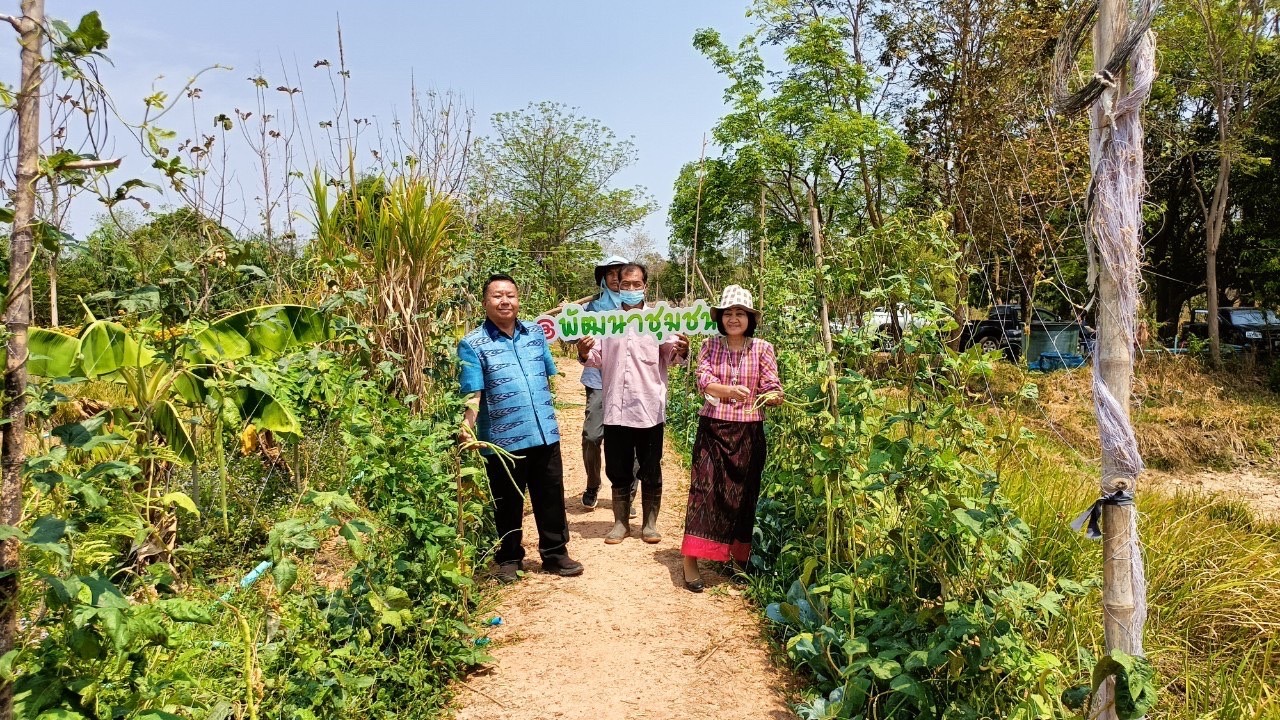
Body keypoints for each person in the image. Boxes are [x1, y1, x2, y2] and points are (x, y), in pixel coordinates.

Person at [458, 273, 584, 583]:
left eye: (510, 295)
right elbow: (474, 392)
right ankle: (510, 558)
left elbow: (547, 378)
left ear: (518, 299)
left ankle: (555, 554)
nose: (505, 301)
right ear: (485, 302)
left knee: (550, 495)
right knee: (507, 501)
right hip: (502, 439)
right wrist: (467, 426)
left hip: (543, 430)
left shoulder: (535, 335)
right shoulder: (472, 343)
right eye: (497, 296)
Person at [681, 285, 782, 592]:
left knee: (744, 495)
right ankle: (691, 561)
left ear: (750, 319)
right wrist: (727, 391)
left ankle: (737, 561)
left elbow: (771, 384)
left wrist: (774, 396)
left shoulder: (762, 348)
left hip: (749, 432)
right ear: (720, 318)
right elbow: (703, 379)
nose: (733, 319)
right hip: (714, 429)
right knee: (705, 492)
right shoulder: (710, 345)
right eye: (728, 313)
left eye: (740, 313)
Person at [578, 263, 689, 544]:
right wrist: (584, 352)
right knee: (618, 468)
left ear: (645, 287)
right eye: (625, 284)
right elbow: (596, 358)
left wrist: (682, 349)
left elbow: (672, 355)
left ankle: (650, 524)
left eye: (636, 284)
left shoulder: (659, 320)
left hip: (648, 407)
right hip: (616, 406)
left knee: (650, 466)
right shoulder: (607, 322)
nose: (630, 289)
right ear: (617, 286)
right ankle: (621, 524)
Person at [577, 255, 635, 512]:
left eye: (620, 273)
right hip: (599, 379)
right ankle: (593, 483)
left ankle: (627, 493)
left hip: (631, 381)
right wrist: (569, 319)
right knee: (592, 435)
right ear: (603, 278)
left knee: (632, 437)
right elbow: (572, 336)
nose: (615, 277)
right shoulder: (591, 309)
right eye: (610, 273)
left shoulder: (641, 311)